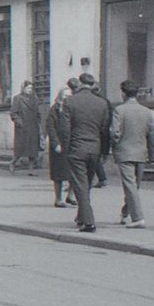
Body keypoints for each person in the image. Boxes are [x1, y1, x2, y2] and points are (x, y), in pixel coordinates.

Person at [57, 74, 111, 233]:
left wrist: (66, 148)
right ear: (93, 84)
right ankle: (81, 217)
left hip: (76, 147)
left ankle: (89, 222)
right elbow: (105, 130)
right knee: (85, 185)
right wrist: (105, 151)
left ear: (80, 84)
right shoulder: (102, 103)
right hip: (94, 149)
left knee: (80, 185)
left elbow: (64, 129)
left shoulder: (70, 101)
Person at [111, 80, 154, 228]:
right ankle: (129, 214)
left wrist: (115, 146)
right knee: (134, 186)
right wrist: (153, 156)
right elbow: (152, 135)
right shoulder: (146, 111)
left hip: (124, 153)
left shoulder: (119, 110)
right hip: (141, 153)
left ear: (123, 94)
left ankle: (136, 218)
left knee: (130, 186)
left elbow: (114, 132)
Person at [44, 85, 77, 207]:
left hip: (72, 144)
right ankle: (58, 199)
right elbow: (50, 128)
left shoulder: (73, 109)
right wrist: (55, 143)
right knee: (59, 173)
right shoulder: (55, 109)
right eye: (65, 96)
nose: (67, 98)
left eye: (69, 96)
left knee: (74, 172)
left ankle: (71, 196)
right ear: (60, 97)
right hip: (59, 145)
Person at [9, 81, 42, 175]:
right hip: (22, 127)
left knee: (33, 149)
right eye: (28, 88)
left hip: (33, 126)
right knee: (20, 148)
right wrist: (19, 122)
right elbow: (13, 113)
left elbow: (37, 112)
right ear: (23, 88)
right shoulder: (18, 99)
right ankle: (13, 163)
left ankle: (31, 170)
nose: (29, 90)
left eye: (31, 89)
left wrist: (39, 121)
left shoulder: (34, 99)